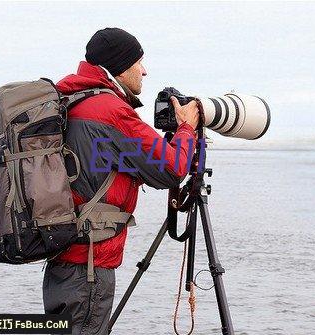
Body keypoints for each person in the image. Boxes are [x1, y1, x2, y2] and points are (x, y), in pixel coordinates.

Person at [42, 27, 199, 334]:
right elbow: (173, 169)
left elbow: (104, 159)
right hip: (89, 268)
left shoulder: (69, 99)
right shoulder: (110, 112)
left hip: (62, 260)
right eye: (139, 62)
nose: (144, 70)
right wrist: (186, 130)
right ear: (121, 66)